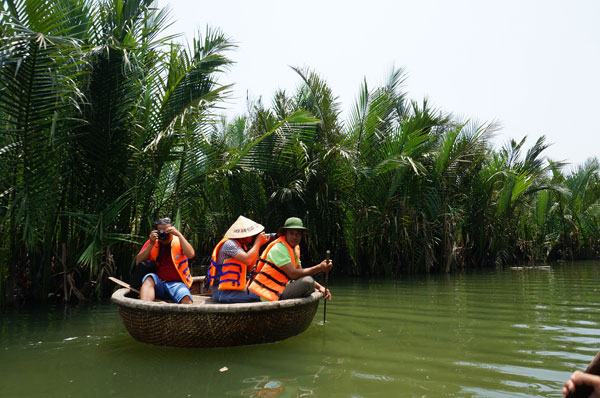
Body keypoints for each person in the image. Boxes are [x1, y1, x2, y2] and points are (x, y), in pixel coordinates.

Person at [248, 217, 332, 301]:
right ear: (286, 234)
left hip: (281, 289)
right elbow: (293, 274)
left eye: (297, 234)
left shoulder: (295, 249)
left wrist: (320, 287)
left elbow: (300, 273)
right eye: (291, 233)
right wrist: (320, 267)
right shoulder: (279, 248)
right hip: (269, 294)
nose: (294, 237)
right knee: (308, 282)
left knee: (308, 282)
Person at [208, 215, 269, 303]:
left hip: (235, 289)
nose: (252, 237)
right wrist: (258, 243)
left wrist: (257, 246)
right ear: (242, 235)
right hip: (223, 292)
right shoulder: (229, 244)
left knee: (267, 289)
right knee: (264, 295)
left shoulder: (241, 246)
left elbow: (252, 267)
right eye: (251, 235)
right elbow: (247, 260)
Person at [136, 217, 195, 304]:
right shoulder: (152, 242)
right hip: (158, 283)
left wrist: (179, 235)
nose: (164, 234)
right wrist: (151, 244)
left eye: (167, 231)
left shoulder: (178, 240)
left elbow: (191, 254)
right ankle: (145, 311)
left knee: (187, 299)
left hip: (176, 284)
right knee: (149, 278)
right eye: (161, 231)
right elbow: (138, 261)